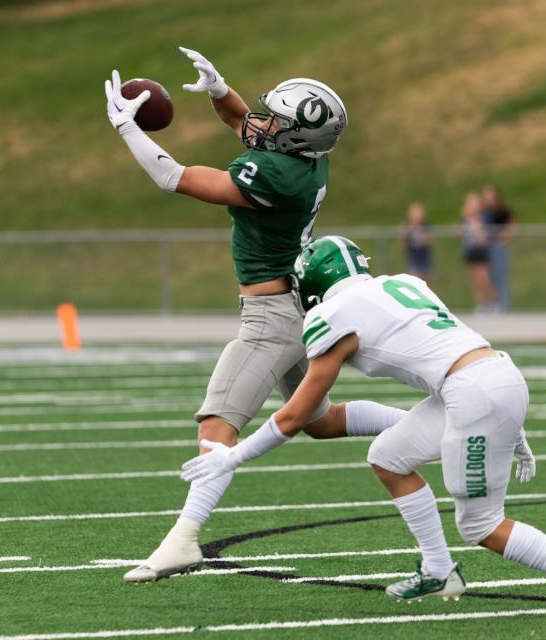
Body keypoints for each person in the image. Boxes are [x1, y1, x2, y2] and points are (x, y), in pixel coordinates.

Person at [181, 235, 546, 622]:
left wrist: (232, 455)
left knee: (481, 525)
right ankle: (438, 570)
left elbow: (298, 414)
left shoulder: (332, 313)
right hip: (487, 377)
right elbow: (453, 345)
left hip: (472, 392)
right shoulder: (403, 283)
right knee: (388, 457)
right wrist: (509, 426)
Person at [106, 47, 406, 583]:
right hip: (297, 305)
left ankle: (183, 540)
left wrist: (128, 129)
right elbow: (246, 125)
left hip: (271, 319)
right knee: (318, 421)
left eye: (276, 118)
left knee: (218, 423)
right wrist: (220, 91)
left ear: (294, 137)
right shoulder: (306, 159)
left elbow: (174, 177)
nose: (261, 121)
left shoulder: (275, 174)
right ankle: (432, 423)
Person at [481, 183, 516, 312]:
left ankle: (505, 304)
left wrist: (504, 238)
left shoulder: (502, 210)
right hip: (486, 248)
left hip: (498, 247)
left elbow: (513, 225)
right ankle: (491, 303)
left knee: (501, 275)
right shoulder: (483, 212)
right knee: (488, 276)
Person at [460, 192, 495, 312]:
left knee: (483, 279)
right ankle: (481, 303)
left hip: (480, 251)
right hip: (470, 251)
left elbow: (483, 238)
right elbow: (464, 236)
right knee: (474, 280)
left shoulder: (482, 218)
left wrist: (477, 225)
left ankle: (492, 302)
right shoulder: (465, 220)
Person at [401, 201, 433, 283]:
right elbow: (403, 243)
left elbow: (430, 242)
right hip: (413, 257)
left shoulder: (426, 226)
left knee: (426, 282)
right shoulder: (407, 227)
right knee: (414, 281)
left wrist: (424, 239)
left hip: (424, 257)